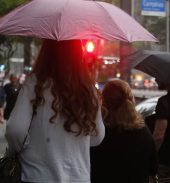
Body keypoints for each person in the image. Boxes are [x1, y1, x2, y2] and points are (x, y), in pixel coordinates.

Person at [5, 39, 105, 183]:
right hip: (78, 177)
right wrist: (73, 142)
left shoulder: (34, 83)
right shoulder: (88, 90)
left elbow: (15, 130)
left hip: (37, 175)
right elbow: (98, 137)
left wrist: (24, 146)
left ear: (46, 52)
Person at [90, 79, 157, 183]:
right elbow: (153, 168)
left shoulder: (97, 133)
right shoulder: (143, 131)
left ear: (103, 100)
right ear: (131, 99)